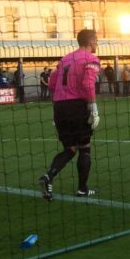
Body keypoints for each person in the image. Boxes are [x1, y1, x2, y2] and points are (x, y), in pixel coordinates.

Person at [38, 29, 101, 201]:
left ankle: (48, 176)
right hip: (77, 106)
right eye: (97, 41)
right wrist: (93, 108)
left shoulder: (65, 59)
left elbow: (52, 83)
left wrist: (56, 108)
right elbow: (88, 84)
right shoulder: (91, 59)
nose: (97, 44)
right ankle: (82, 189)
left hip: (60, 107)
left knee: (70, 149)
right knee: (85, 147)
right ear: (92, 41)